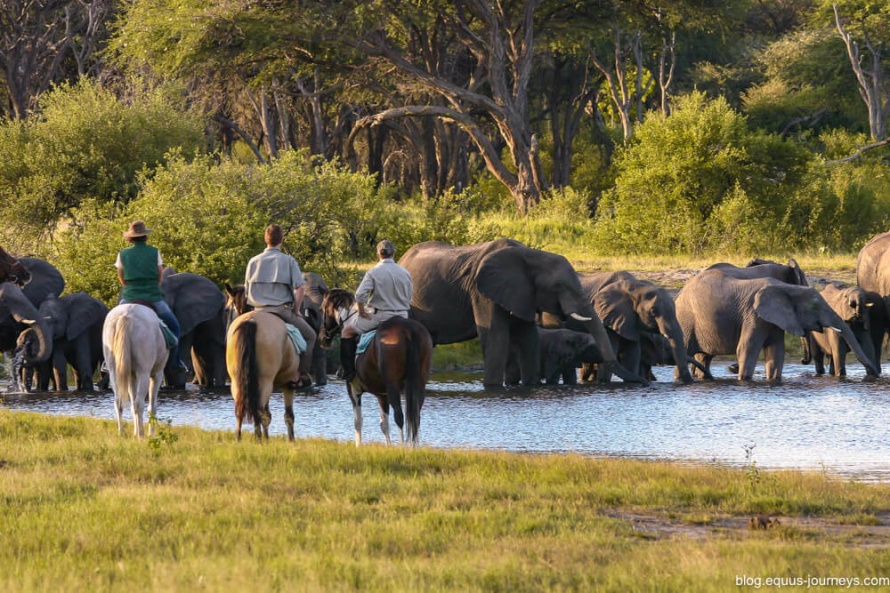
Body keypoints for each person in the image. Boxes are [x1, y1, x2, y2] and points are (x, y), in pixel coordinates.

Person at [244, 224, 317, 389]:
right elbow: (300, 288)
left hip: (257, 311)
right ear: (281, 240)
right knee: (311, 336)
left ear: (265, 239)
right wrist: (297, 309)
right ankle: (300, 375)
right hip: (280, 310)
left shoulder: (253, 261)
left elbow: (247, 293)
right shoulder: (288, 261)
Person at [114, 220, 186, 373]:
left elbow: (121, 277)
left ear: (130, 237)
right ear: (145, 236)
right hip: (153, 295)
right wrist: (153, 285)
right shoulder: (154, 251)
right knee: (174, 326)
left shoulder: (123, 254)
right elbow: (160, 274)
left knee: (113, 325)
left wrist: (130, 286)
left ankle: (109, 362)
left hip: (130, 295)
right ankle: (175, 361)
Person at [340, 239, 413, 382]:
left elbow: (359, 296)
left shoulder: (373, 272)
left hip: (381, 316)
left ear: (378, 254)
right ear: (394, 253)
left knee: (347, 331)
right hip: (403, 316)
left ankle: (349, 372)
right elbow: (410, 296)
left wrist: (361, 311)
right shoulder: (405, 272)